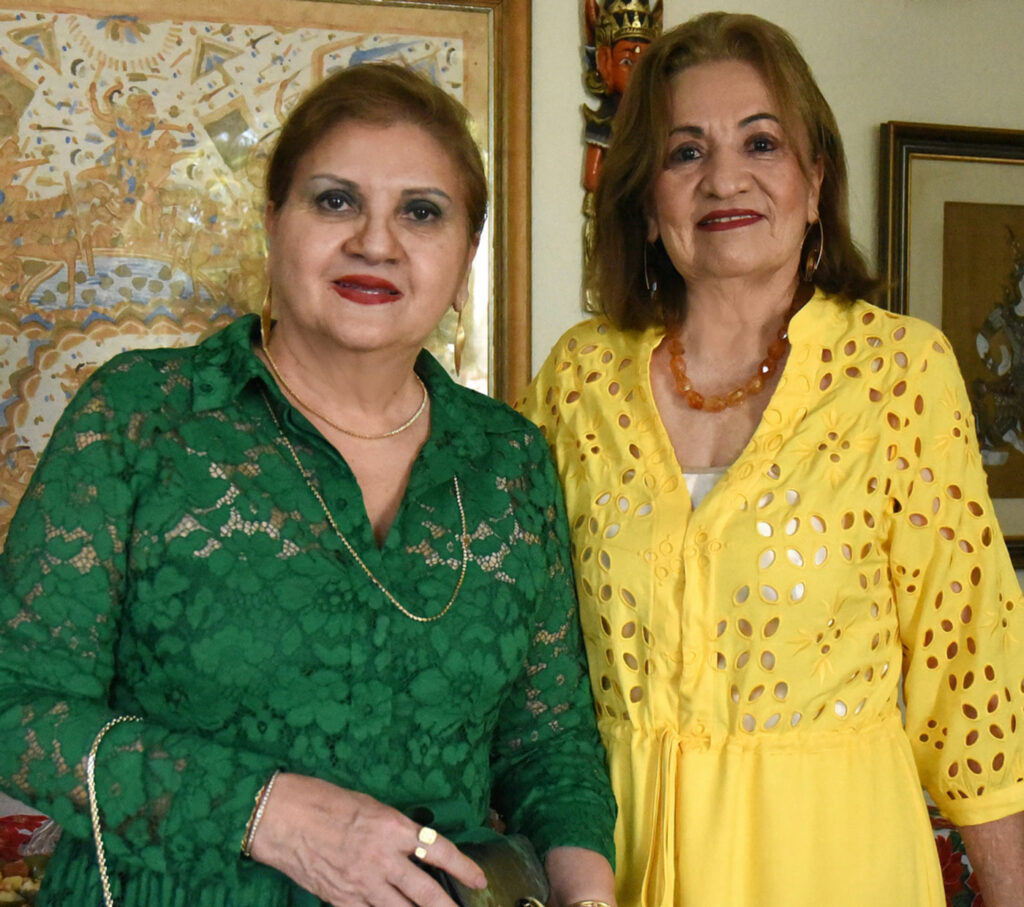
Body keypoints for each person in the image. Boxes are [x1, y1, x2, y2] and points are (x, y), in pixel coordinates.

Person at [0, 62, 617, 907]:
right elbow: (17, 710)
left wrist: (590, 893)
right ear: (272, 222)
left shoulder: (509, 460)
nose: (376, 242)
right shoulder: (140, 416)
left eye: (421, 212)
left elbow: (549, 746)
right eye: (335, 201)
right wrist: (269, 813)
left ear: (467, 254)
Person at [518, 12, 1024, 907]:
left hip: (834, 861)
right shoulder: (576, 379)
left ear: (815, 180)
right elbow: (518, 645)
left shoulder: (900, 373)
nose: (725, 178)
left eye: (762, 142)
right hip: (614, 861)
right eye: (685, 152)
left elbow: (969, 681)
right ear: (646, 200)